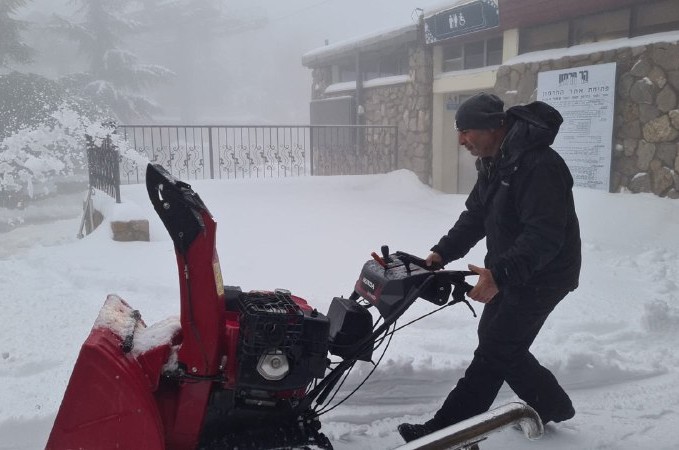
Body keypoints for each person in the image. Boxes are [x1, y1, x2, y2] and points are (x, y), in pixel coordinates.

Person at [398, 92, 581, 443]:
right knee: (499, 343)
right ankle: (553, 405)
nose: (461, 140)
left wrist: (500, 274)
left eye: (467, 130)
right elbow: (477, 215)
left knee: (496, 349)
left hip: (545, 274)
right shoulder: (497, 162)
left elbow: (544, 235)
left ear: (496, 125)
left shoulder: (540, 165)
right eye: (459, 131)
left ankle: (445, 432)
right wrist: (441, 252)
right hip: (513, 269)